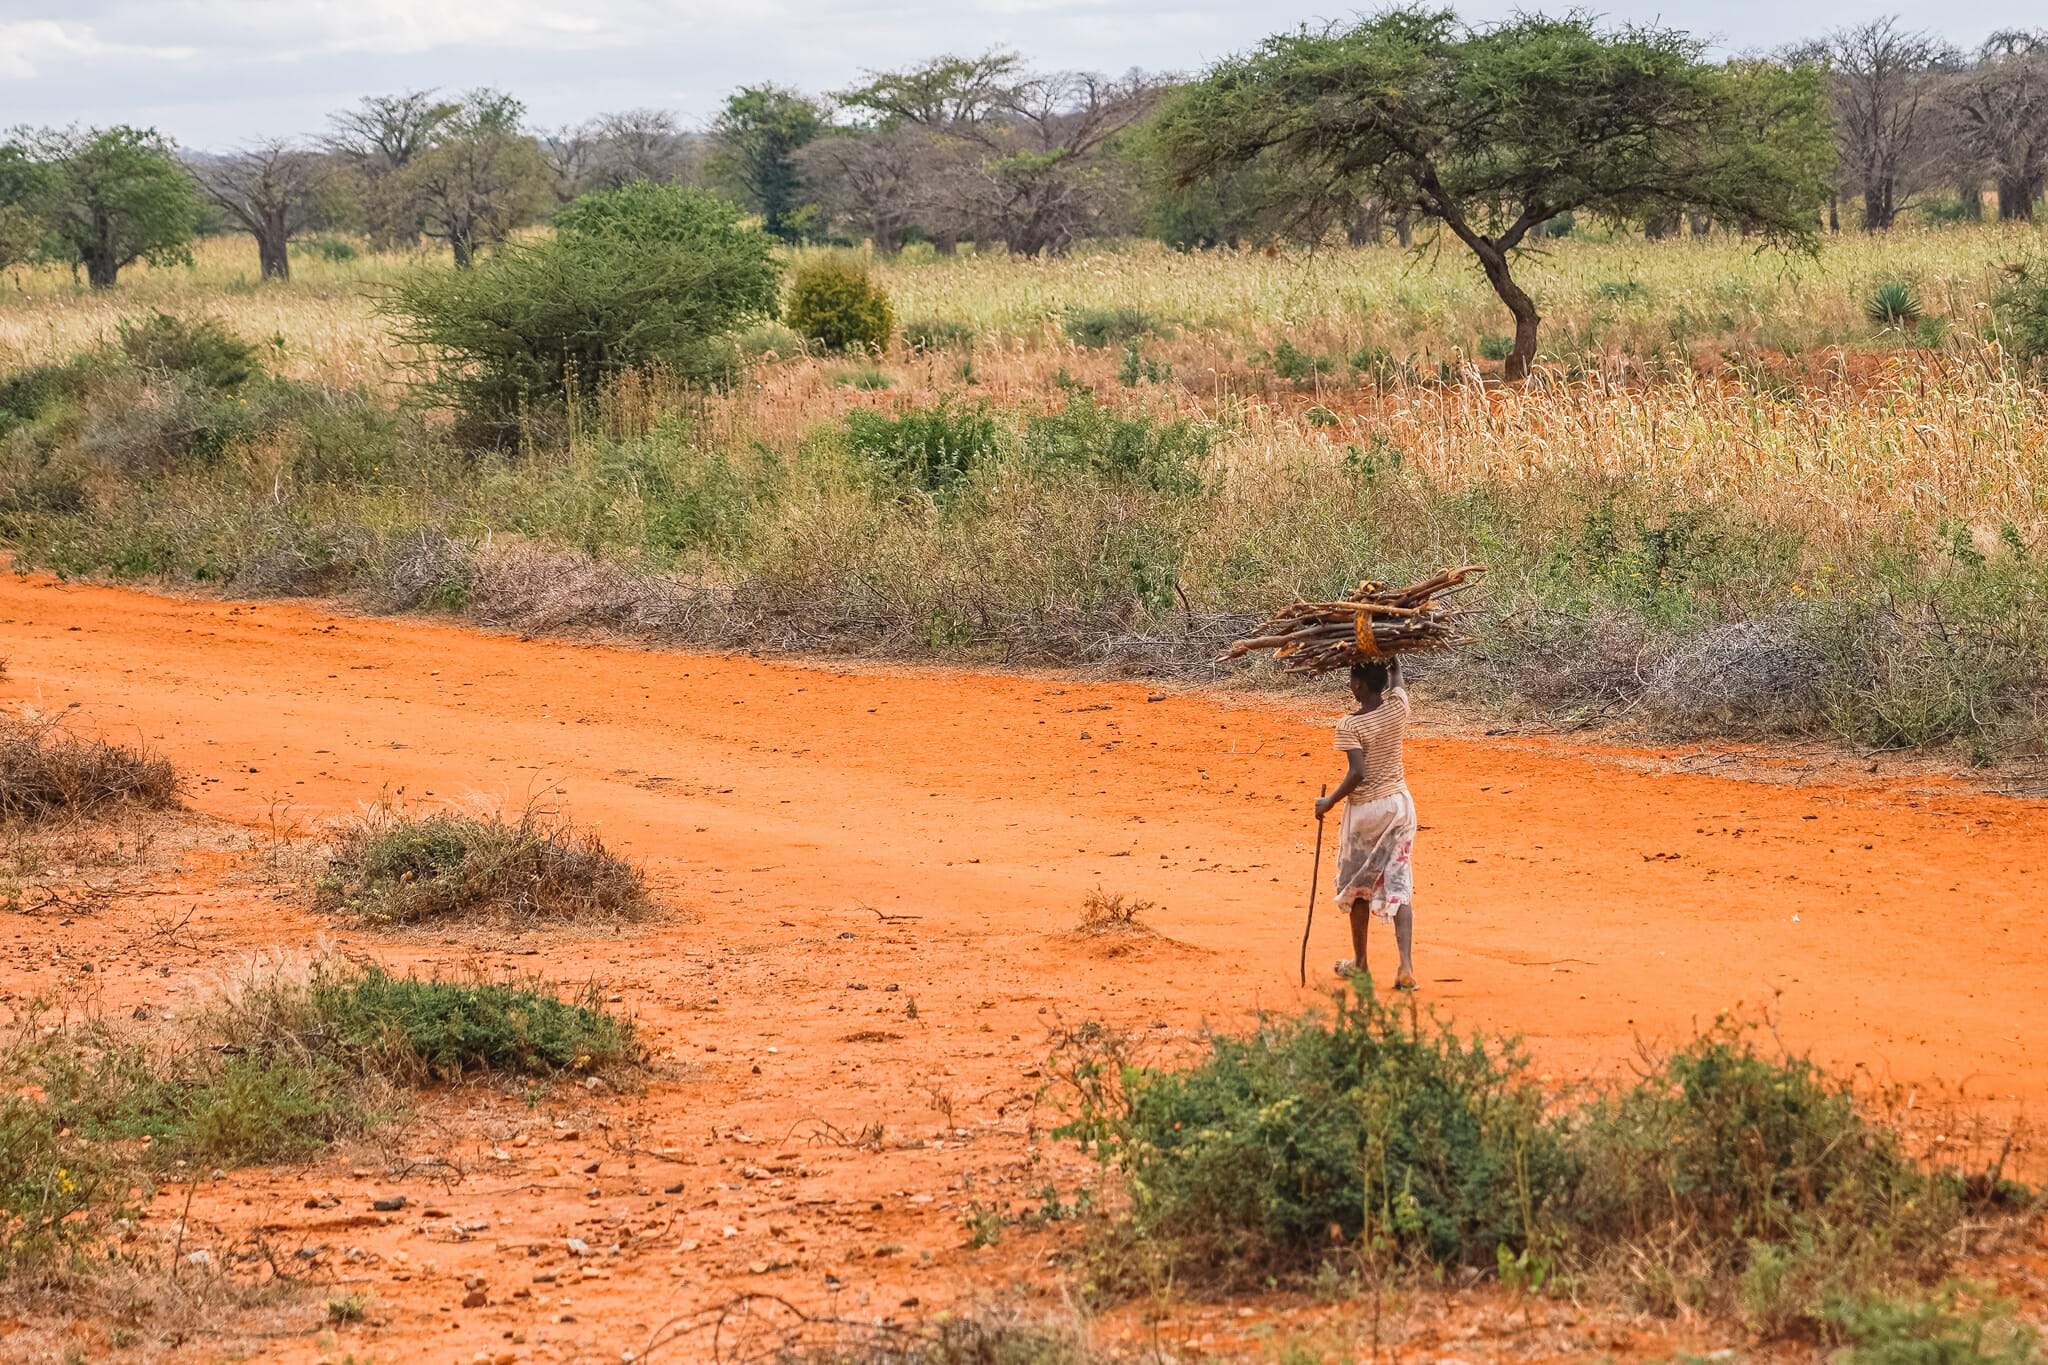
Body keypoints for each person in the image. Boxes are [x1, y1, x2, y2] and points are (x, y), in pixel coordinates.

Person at [1312, 655, 1417, 990]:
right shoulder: (1398, 708)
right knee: (1399, 887)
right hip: (1399, 807)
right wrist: (1391, 652)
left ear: (1358, 685)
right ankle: (1405, 968)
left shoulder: (1350, 725)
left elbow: (1358, 773)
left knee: (1358, 888)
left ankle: (1362, 966)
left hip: (1366, 814)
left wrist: (1329, 802)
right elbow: (1398, 676)